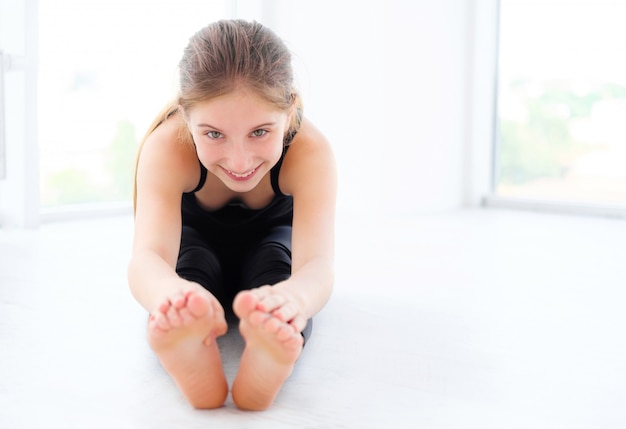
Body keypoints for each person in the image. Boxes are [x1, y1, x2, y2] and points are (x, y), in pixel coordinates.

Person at [127, 19, 336, 411]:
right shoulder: (167, 147)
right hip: (194, 251)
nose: (240, 162)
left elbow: (317, 266)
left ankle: (269, 354)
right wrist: (171, 296)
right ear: (186, 115)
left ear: (289, 110)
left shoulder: (310, 151)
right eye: (213, 134)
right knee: (188, 273)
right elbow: (148, 259)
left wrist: (294, 299)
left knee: (279, 278)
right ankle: (188, 343)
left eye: (260, 132)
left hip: (274, 250)